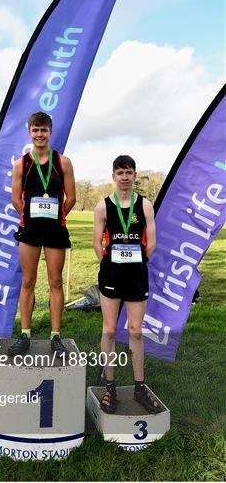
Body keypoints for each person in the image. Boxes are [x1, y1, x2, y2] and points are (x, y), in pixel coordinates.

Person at [93, 155, 160, 414]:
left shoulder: (144, 205)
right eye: (120, 172)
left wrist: (137, 262)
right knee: (109, 330)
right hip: (111, 276)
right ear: (113, 176)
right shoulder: (102, 206)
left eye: (129, 172)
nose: (124, 177)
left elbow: (151, 242)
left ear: (134, 175)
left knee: (135, 331)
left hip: (136, 276)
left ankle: (139, 387)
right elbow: (96, 242)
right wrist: (109, 264)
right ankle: (110, 386)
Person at [9, 112, 76, 358]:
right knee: (28, 281)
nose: (39, 134)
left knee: (55, 281)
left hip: (56, 231)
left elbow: (72, 198)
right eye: (35, 130)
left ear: (50, 132)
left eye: (44, 130)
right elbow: (16, 200)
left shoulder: (63, 162)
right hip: (30, 231)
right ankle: (25, 334)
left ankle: (55, 336)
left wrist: (56, 217)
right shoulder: (21, 164)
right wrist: (30, 217)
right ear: (29, 132)